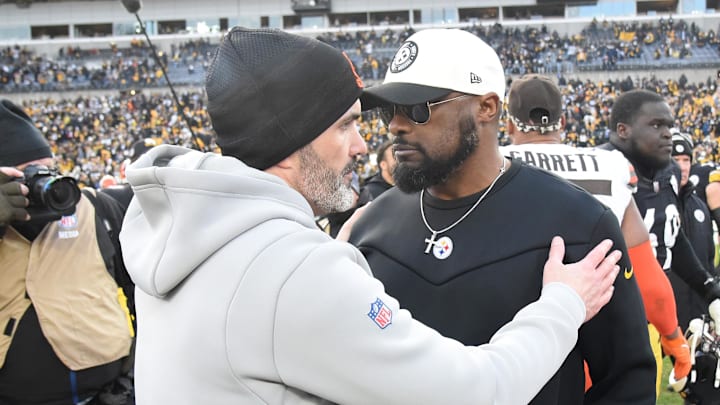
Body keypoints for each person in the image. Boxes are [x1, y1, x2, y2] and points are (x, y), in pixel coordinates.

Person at [119, 27, 623, 404]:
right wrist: (562, 304)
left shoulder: (180, 231)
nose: (367, 143)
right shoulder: (296, 270)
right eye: (346, 126)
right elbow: (475, 392)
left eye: (416, 108)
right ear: (293, 142)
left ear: (488, 108)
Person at [350, 28, 655, 404]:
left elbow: (626, 382)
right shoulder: (368, 228)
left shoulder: (576, 222)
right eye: (387, 111)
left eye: (417, 109)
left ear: (487, 108)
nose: (396, 125)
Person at [501, 74, 691, 393]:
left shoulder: (494, 163)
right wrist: (673, 337)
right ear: (563, 121)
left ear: (508, 125)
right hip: (597, 358)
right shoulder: (608, 164)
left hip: (515, 353)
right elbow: (647, 277)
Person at [0, 99, 135, 404]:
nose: (43, 184)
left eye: (47, 170)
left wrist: (134, 372)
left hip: (108, 393)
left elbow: (137, 285)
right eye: (26, 176)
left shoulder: (95, 208)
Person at [598, 89, 720, 326]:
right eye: (656, 125)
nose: (668, 135)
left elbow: (671, 235)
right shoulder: (599, 167)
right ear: (623, 130)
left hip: (655, 307)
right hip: (610, 312)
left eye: (669, 126)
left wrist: (707, 287)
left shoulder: (670, 171)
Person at [669, 131, 718, 330]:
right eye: (676, 159)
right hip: (667, 310)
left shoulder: (700, 206)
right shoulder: (655, 205)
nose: (682, 166)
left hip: (699, 309)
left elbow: (708, 258)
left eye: (686, 160)